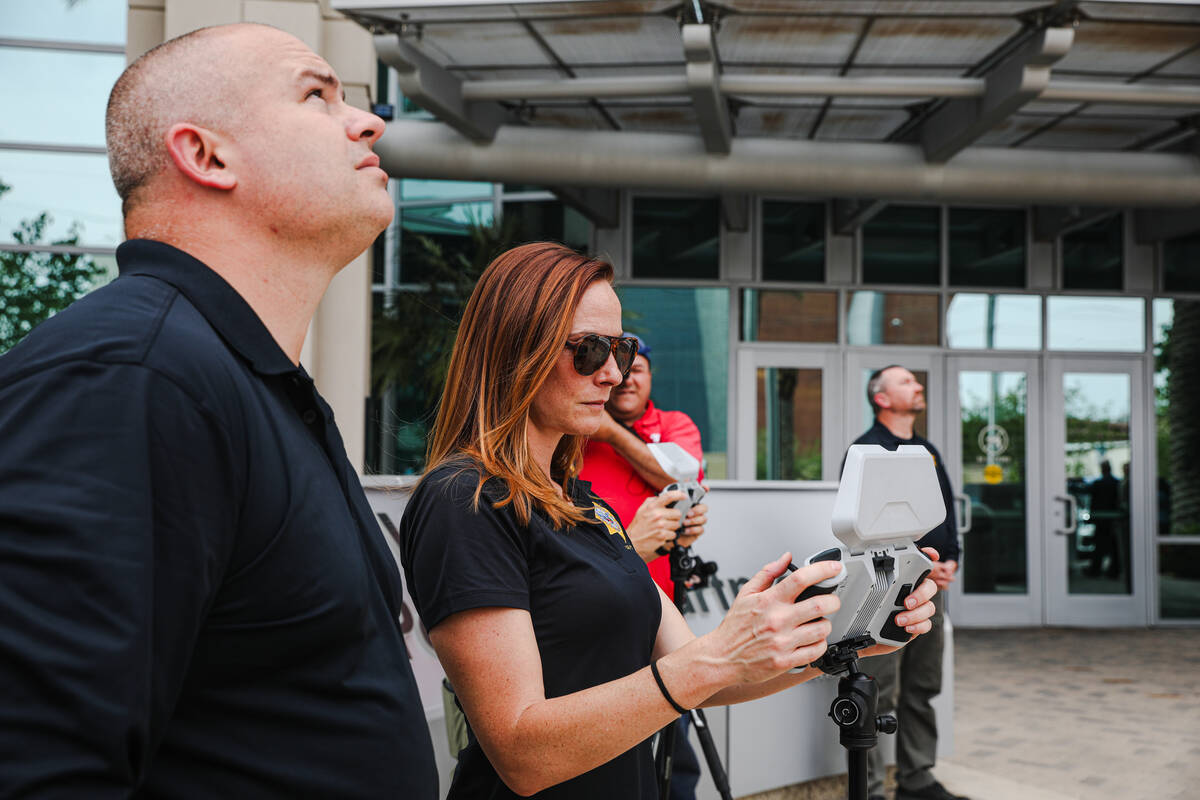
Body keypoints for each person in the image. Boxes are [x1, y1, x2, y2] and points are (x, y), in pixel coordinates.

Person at [0, 24, 437, 797]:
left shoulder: (250, 385)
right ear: (205, 155)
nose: (367, 121)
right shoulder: (131, 379)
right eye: (317, 94)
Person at [399, 243, 940, 799]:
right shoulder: (464, 500)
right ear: (516, 349)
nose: (612, 374)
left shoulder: (588, 505)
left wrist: (844, 638)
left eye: (622, 349)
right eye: (588, 350)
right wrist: (720, 654)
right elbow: (521, 753)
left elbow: (701, 678)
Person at [580, 335, 708, 799]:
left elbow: (685, 477)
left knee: (677, 749)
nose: (627, 376)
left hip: (662, 611)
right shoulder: (575, 424)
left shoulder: (674, 424)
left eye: (637, 367)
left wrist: (612, 432)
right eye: (617, 367)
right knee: (611, 747)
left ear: (650, 375)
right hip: (593, 610)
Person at [851, 366, 966, 800]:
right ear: (881, 398)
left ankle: (917, 779)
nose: (918, 385)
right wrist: (918, 564)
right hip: (883, 595)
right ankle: (873, 789)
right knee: (877, 692)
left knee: (923, 687)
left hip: (930, 592)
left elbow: (945, 514)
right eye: (906, 382)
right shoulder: (865, 452)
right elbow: (864, 531)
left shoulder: (927, 451)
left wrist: (950, 559)